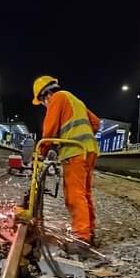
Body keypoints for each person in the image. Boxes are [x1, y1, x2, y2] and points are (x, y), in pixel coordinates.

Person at [32, 75, 100, 251]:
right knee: (85, 193)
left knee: (74, 195)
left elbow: (49, 129)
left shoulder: (57, 98)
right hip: (89, 150)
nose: (44, 105)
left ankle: (81, 239)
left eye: (42, 102)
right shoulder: (75, 100)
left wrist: (42, 151)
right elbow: (96, 123)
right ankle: (89, 233)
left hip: (74, 151)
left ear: (46, 95)